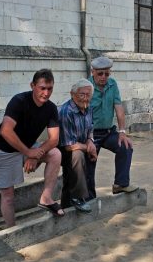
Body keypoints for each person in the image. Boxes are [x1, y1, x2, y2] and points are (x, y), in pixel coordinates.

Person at [0, 69, 64, 228]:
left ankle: (46, 198)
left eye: (49, 88)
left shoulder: (50, 108)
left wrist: (34, 155)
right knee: (8, 195)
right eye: (42, 88)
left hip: (27, 148)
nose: (46, 93)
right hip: (4, 150)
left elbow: (54, 139)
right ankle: (11, 229)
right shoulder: (19, 101)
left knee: (55, 154)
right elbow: (5, 131)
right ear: (33, 85)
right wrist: (29, 152)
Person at [87, 56, 138, 198]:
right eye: (100, 73)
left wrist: (122, 132)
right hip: (91, 134)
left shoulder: (112, 84)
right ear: (93, 72)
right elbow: (83, 113)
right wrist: (88, 138)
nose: (104, 77)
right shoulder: (86, 87)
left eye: (107, 73)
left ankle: (120, 184)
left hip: (108, 132)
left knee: (126, 147)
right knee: (89, 163)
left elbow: (119, 108)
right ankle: (89, 197)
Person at [58, 79, 98, 213]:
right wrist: (89, 148)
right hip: (63, 151)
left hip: (80, 146)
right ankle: (78, 197)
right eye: (82, 94)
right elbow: (69, 146)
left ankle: (67, 204)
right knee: (77, 155)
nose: (85, 98)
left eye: (88, 95)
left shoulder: (88, 108)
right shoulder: (66, 111)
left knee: (81, 164)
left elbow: (90, 129)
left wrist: (90, 141)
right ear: (72, 94)